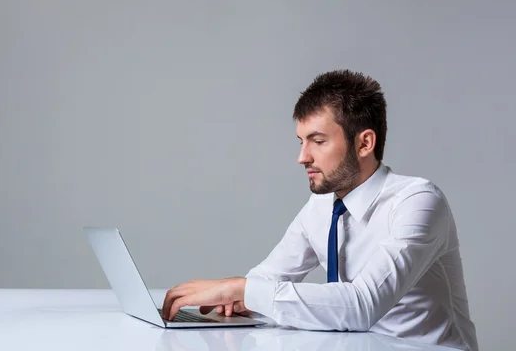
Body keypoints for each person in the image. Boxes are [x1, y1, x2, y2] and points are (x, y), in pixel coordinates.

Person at [161, 69, 478, 351]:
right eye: (301, 141)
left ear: (364, 143)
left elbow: (362, 305)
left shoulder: (418, 202)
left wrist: (244, 290)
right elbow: (268, 277)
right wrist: (236, 297)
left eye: (318, 141)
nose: (302, 157)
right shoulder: (322, 205)